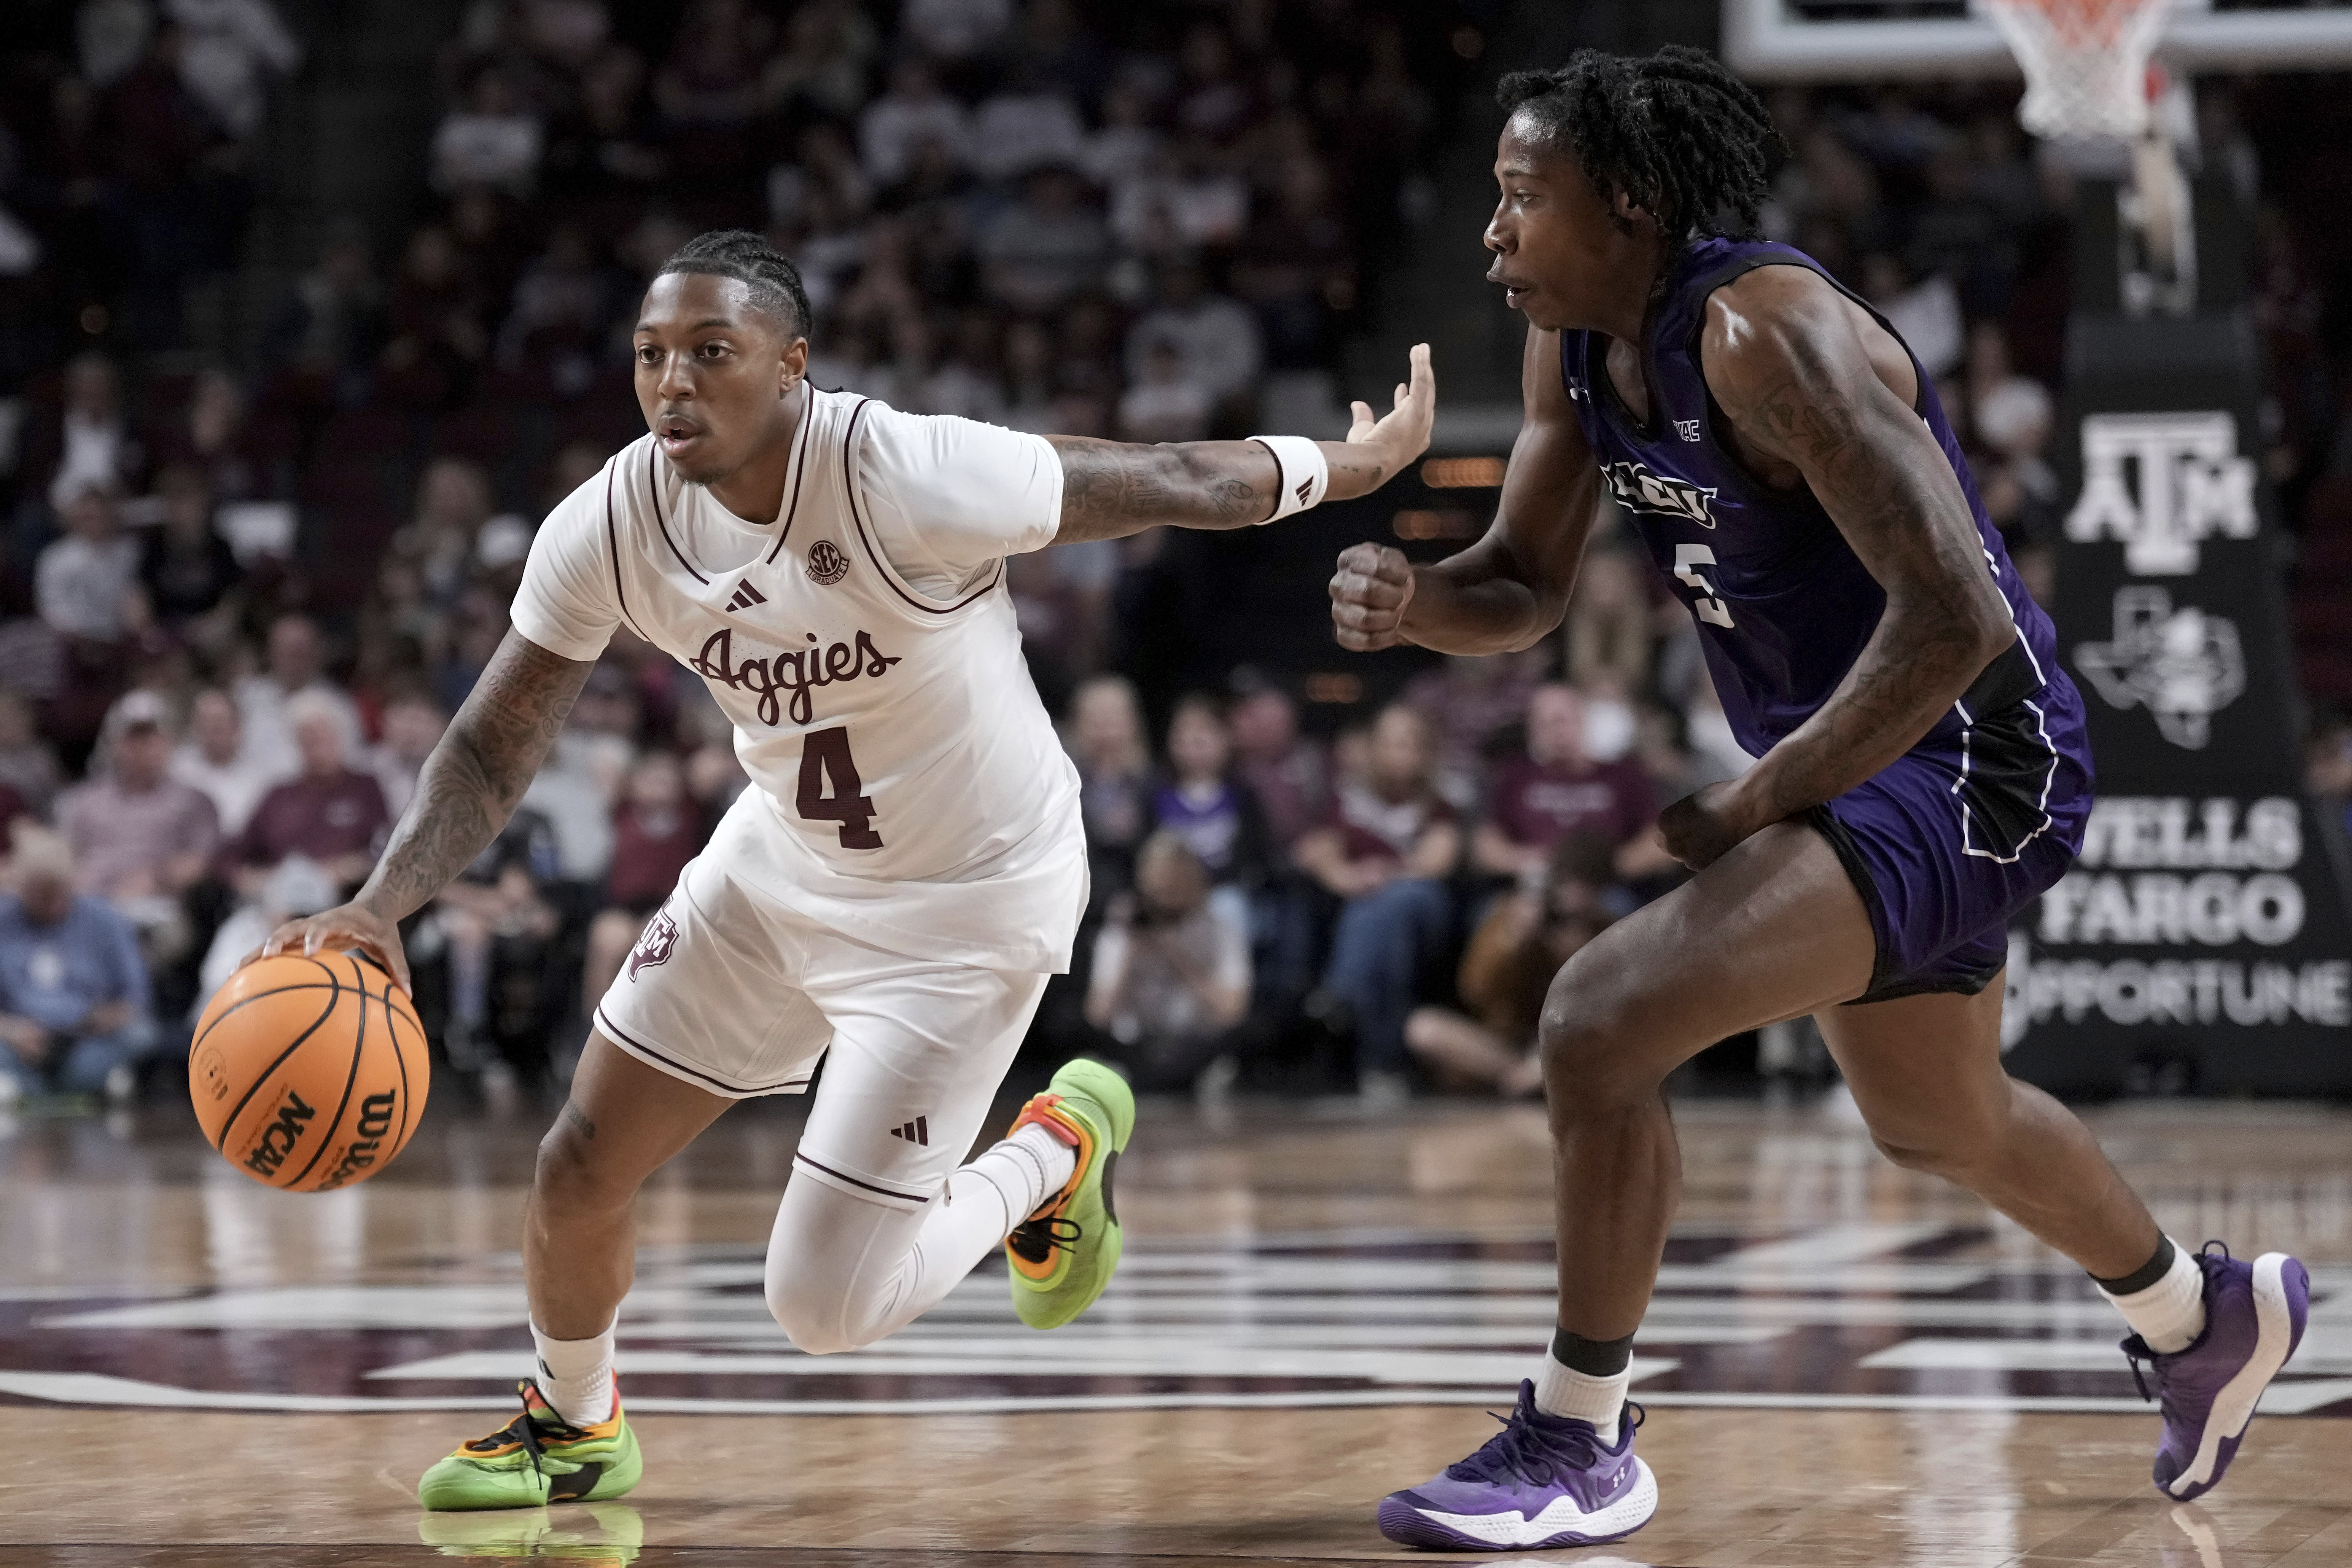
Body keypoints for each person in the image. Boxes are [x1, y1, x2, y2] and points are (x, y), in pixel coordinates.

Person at [259, 229, 1435, 1510]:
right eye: (652, 356)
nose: (673, 386)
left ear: (793, 368)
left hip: (970, 906)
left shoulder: (899, 469)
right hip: (781, 868)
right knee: (580, 1157)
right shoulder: (612, 517)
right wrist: (382, 904)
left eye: (713, 354)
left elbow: (1160, 475)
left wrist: (1349, 464)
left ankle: (1052, 1150)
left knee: (822, 1308)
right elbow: (493, 740)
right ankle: (573, 1419)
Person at [1329, 48, 2306, 1552]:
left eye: (1525, 199)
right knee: (1940, 1121)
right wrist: (1415, 601)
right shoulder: (1577, 349)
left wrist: (1769, 791)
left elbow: (1953, 619)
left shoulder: (1765, 338)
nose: (1493, 235)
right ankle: (2202, 1316)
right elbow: (1522, 583)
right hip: (1858, 760)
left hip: (1977, 748)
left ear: (1631, 202)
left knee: (1597, 1018)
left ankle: (1581, 1435)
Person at [1293, 703, 1460, 1100]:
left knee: (1394, 901)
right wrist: (1351, 878)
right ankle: (1382, 1063)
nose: (1397, 753)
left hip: (1425, 904)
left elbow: (1436, 861)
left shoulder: (1439, 803)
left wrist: (1381, 876)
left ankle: (1340, 992)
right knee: (1385, 935)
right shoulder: (1347, 800)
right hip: (1370, 913)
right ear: (1371, 748)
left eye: (1407, 744)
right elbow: (1323, 854)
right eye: (1388, 743)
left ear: (1424, 752)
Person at [1405, 834, 1614, 1098]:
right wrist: (1513, 940)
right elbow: (1475, 989)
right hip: (1505, 1043)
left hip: (1569, 1046)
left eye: (1587, 884)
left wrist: (1575, 945)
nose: (1575, 893)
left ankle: (1533, 1079)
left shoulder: (1610, 930)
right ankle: (1523, 1077)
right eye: (1567, 881)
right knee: (1424, 1028)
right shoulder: (1511, 915)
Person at [1084, 830, 1250, 1090]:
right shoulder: (1126, 925)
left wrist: (1176, 956)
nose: (1165, 900)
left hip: (1196, 1046)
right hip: (1135, 1046)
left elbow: (1233, 1011)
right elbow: (1098, 1013)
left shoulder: (1218, 928)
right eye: (1158, 891)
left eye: (1175, 889)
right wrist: (1131, 956)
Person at [0, 830, 155, 1106]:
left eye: (58, 893)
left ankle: (39, 1090)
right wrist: (9, 1030)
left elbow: (135, 996)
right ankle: (61, 1088)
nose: (51, 905)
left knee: (140, 1034)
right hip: (16, 1041)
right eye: (41, 895)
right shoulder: (4, 920)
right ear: (21, 887)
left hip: (86, 1038)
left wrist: (100, 1020)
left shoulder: (106, 919)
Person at [1472, 683, 1666, 887]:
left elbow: (1659, 839)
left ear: (1582, 721)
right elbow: (1486, 845)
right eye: (1544, 724)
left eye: (1561, 721)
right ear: (1532, 731)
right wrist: (1525, 862)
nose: (1555, 732)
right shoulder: (1515, 776)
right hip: (1533, 887)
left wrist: (1608, 867)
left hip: (1607, 888)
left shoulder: (1623, 775)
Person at [228, 691, 389, 894]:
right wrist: (251, 877)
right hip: (279, 896)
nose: (318, 744)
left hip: (349, 897)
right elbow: (235, 854)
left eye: (325, 735)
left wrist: (347, 869)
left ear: (342, 736)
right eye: (309, 737)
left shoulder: (365, 787)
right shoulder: (279, 796)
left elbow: (386, 849)